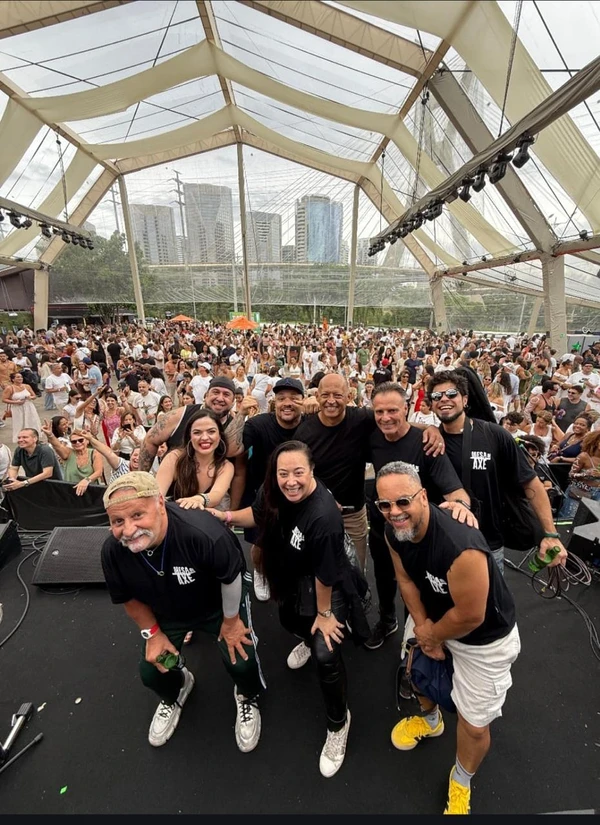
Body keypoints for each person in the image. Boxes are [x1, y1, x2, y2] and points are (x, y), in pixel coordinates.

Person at [210, 442, 369, 778]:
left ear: (312, 472)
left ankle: (339, 724)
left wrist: (324, 615)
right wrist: (224, 516)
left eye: (299, 473)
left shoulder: (323, 515)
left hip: (327, 581)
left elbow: (326, 574)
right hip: (293, 574)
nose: (291, 481)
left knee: (325, 652)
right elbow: (257, 515)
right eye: (284, 473)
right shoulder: (273, 490)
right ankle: (306, 637)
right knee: (288, 619)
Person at [376, 461, 522, 815]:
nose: (394, 512)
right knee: (417, 674)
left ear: (423, 497)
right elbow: (406, 580)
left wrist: (431, 634)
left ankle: (462, 777)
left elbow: (471, 615)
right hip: (434, 620)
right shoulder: (395, 530)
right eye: (385, 505)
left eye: (403, 501)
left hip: (484, 640)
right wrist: (425, 630)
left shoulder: (462, 546)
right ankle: (431, 721)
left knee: (473, 726)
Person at [100, 471, 264, 750]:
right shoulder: (114, 551)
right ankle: (179, 686)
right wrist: (152, 633)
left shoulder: (203, 534)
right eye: (118, 521)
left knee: (242, 659)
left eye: (137, 515)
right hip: (168, 612)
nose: (128, 530)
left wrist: (231, 622)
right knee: (152, 672)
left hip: (217, 606)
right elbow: (127, 597)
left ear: (160, 504)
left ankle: (248, 696)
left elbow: (231, 578)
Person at [365, 382, 474, 650]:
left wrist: (460, 506)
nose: (385, 417)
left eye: (392, 410)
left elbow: (455, 490)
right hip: (384, 529)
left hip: (419, 536)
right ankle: (387, 620)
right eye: (379, 412)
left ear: (406, 409)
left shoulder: (427, 443)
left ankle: (411, 639)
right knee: (384, 578)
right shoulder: (372, 437)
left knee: (417, 588)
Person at [428, 370, 568, 573]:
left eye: (451, 394)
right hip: (442, 542)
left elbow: (530, 483)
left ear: (465, 399)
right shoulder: (428, 441)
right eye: (436, 396)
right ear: (431, 404)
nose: (443, 400)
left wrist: (550, 534)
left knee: (492, 604)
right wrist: (427, 429)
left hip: (487, 543)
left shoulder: (495, 435)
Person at [156, 410, 234, 512]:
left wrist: (199, 499)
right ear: (190, 437)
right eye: (197, 432)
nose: (205, 437)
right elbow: (157, 495)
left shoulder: (225, 466)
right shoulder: (174, 458)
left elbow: (216, 495)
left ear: (219, 435)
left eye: (211, 431)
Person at [43, 421, 104, 495]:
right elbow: (58, 446)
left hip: (92, 493)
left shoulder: (94, 453)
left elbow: (98, 472)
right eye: (74, 442)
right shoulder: (68, 453)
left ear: (87, 441)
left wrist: (86, 480)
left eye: (81, 440)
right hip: (71, 493)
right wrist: (50, 435)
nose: (78, 443)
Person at [559, 430, 600, 519]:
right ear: (596, 442)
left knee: (589, 523)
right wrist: (586, 474)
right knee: (569, 520)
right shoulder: (584, 456)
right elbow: (571, 474)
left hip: (597, 495)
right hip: (579, 492)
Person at [2, 372, 41, 444]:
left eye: (21, 377)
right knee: (19, 423)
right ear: (13, 379)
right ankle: (21, 438)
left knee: (32, 421)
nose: (20, 378)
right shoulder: (10, 388)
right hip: (17, 408)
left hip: (29, 407)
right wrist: (16, 402)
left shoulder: (27, 386)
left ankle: (34, 437)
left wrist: (30, 397)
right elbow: (4, 399)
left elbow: (34, 396)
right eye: (18, 377)